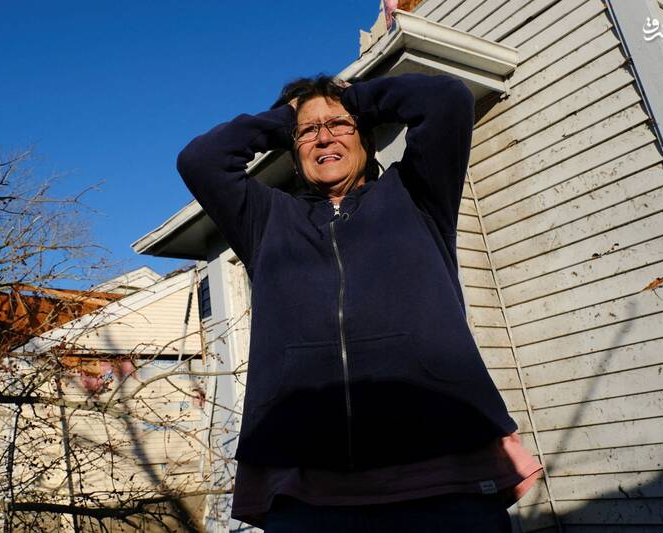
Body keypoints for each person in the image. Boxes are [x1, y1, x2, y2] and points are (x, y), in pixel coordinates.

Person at [176, 65, 542, 531]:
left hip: (445, 468)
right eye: (308, 132)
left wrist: (357, 99)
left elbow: (447, 99)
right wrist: (286, 118)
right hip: (307, 484)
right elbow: (201, 160)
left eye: (339, 125)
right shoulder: (266, 220)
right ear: (293, 151)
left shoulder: (417, 196)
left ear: (366, 140)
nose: (324, 138)